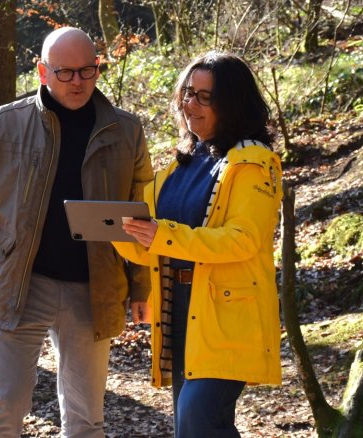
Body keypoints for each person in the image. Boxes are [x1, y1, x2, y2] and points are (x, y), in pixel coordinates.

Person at [0, 27, 154, 437]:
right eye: (65, 72)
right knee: (3, 408)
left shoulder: (126, 132)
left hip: (93, 287)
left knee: (85, 419)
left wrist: (141, 288)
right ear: (43, 71)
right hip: (18, 283)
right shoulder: (3, 124)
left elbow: (141, 218)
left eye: (87, 71)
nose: (78, 81)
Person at [114, 51, 283, 437]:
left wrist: (162, 234)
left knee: (197, 421)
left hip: (227, 317)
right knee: (191, 427)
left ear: (231, 103)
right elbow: (154, 245)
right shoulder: (179, 166)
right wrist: (118, 232)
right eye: (188, 93)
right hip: (179, 311)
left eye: (204, 96)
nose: (190, 104)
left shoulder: (254, 163)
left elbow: (243, 240)